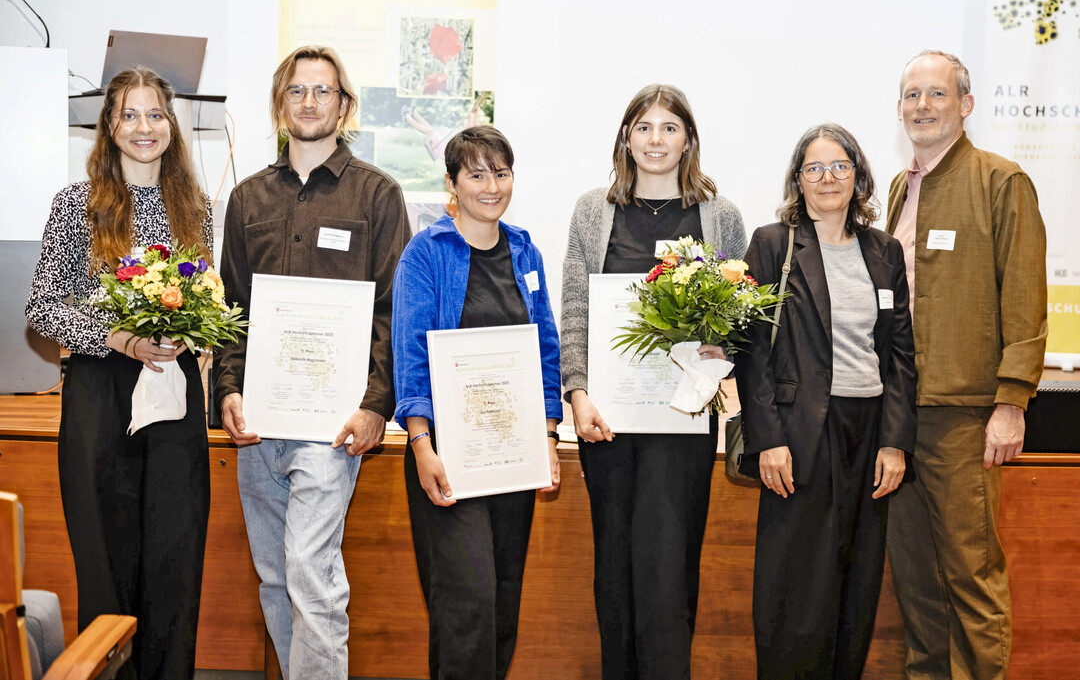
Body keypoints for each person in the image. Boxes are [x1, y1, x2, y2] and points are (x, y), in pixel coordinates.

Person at [212, 45, 411, 680]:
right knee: (275, 577)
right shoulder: (247, 201)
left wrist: (377, 404)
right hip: (258, 426)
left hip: (331, 428)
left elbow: (392, 311)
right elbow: (231, 309)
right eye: (296, 90)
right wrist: (228, 390)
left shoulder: (378, 195)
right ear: (280, 104)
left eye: (322, 91)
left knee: (309, 572)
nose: (308, 102)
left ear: (344, 106)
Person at [25, 66, 212, 680]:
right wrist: (117, 338)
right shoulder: (76, 206)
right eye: (128, 114)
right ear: (109, 126)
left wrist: (194, 331)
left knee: (174, 561)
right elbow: (43, 308)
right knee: (106, 564)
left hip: (175, 406)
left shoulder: (197, 210)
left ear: (172, 126)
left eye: (155, 114)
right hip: (100, 401)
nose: (143, 127)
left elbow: (208, 297)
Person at [560, 84, 747, 679]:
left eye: (670, 128)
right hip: (608, 422)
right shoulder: (594, 210)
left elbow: (740, 314)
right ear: (626, 138)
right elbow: (576, 306)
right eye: (644, 127)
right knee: (614, 566)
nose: (656, 139)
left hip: (683, 421)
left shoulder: (721, 216)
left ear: (688, 139)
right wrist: (577, 391)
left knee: (669, 570)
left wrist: (721, 353)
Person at [885, 50, 1048, 680]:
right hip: (901, 418)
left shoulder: (1000, 181)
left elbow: (1026, 298)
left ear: (966, 104)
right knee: (918, 579)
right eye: (911, 96)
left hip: (966, 420)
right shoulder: (902, 187)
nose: (922, 106)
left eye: (937, 94)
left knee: (972, 576)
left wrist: (1011, 403)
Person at [734, 124, 917, 679]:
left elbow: (901, 355)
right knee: (795, 585)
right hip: (800, 433)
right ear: (798, 181)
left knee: (857, 577)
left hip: (868, 432)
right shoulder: (773, 243)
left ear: (858, 175)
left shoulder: (883, 250)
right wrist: (768, 439)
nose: (828, 178)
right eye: (814, 169)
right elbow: (751, 349)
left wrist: (895, 442)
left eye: (839, 166)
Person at [392, 125, 562, 680]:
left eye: (502, 172)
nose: (491, 186)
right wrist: (421, 444)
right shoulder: (426, 253)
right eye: (477, 174)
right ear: (452, 182)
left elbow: (545, 348)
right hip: (449, 456)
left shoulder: (525, 249)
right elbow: (411, 356)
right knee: (467, 599)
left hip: (513, 455)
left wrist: (548, 438)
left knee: (503, 598)